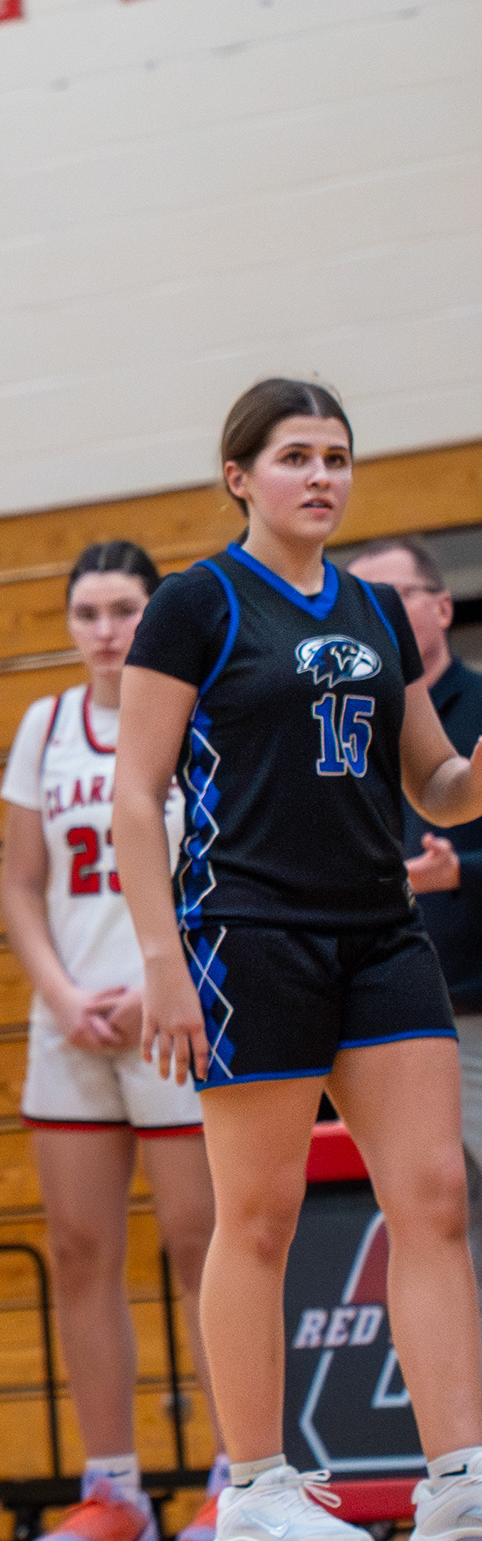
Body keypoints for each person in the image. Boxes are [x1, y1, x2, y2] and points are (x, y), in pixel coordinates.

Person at [115, 380, 482, 1541]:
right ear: (239, 477)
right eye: (295, 456)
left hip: (380, 933)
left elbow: (437, 788)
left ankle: (459, 1481)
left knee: (433, 1196)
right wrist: (164, 960)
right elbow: (136, 794)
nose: (321, 475)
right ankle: (259, 1490)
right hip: (248, 934)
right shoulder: (196, 604)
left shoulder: (377, 610)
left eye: (336, 456)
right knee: (260, 1216)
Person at [0, 542, 228, 1541]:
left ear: (154, 613)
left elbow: (222, 869)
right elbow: (18, 885)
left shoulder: (195, 715)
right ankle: (113, 1491)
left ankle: (239, 1473)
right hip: (72, 1026)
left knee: (201, 1246)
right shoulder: (44, 727)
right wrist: (60, 992)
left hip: (175, 1014)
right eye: (87, 611)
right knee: (82, 1254)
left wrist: (156, 982)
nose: (105, 629)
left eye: (124, 608)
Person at [348, 536, 482, 1284]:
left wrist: (458, 872)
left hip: (472, 1003)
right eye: (361, 600)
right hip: (387, 1008)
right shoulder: (343, 723)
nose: (377, 615)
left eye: (393, 597)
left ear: (442, 607)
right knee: (426, 1216)